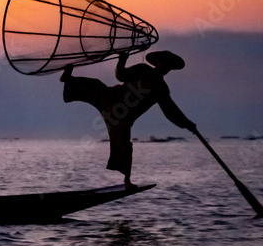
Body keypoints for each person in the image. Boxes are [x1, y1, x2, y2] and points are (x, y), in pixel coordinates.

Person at [61, 51, 197, 189]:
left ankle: (127, 181)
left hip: (121, 118)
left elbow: (171, 112)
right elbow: (121, 75)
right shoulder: (144, 70)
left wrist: (187, 124)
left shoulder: (161, 88)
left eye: (168, 67)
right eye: (164, 65)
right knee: (95, 85)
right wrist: (122, 59)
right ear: (158, 63)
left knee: (124, 146)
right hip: (111, 99)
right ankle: (69, 80)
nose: (165, 69)